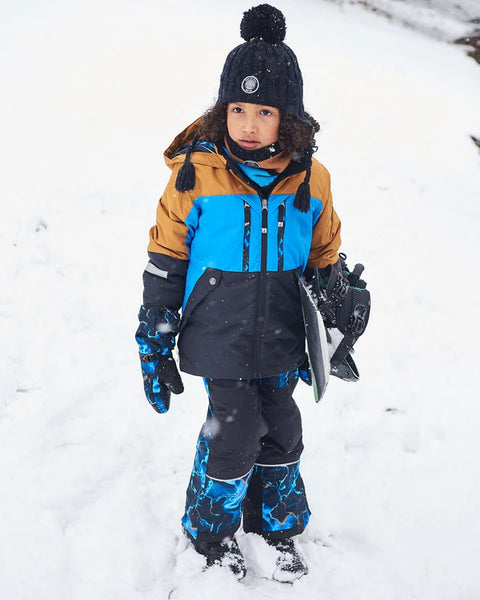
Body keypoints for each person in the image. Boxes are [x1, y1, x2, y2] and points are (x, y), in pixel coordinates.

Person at [135, 3, 369, 581]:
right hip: (219, 333)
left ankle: (275, 524)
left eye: (263, 111)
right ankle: (210, 533)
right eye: (236, 108)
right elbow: (166, 259)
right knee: (235, 429)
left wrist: (337, 302)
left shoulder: (312, 179)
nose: (246, 123)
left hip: (285, 333)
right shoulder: (195, 173)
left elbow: (323, 253)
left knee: (283, 427)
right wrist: (154, 335)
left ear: (286, 117)